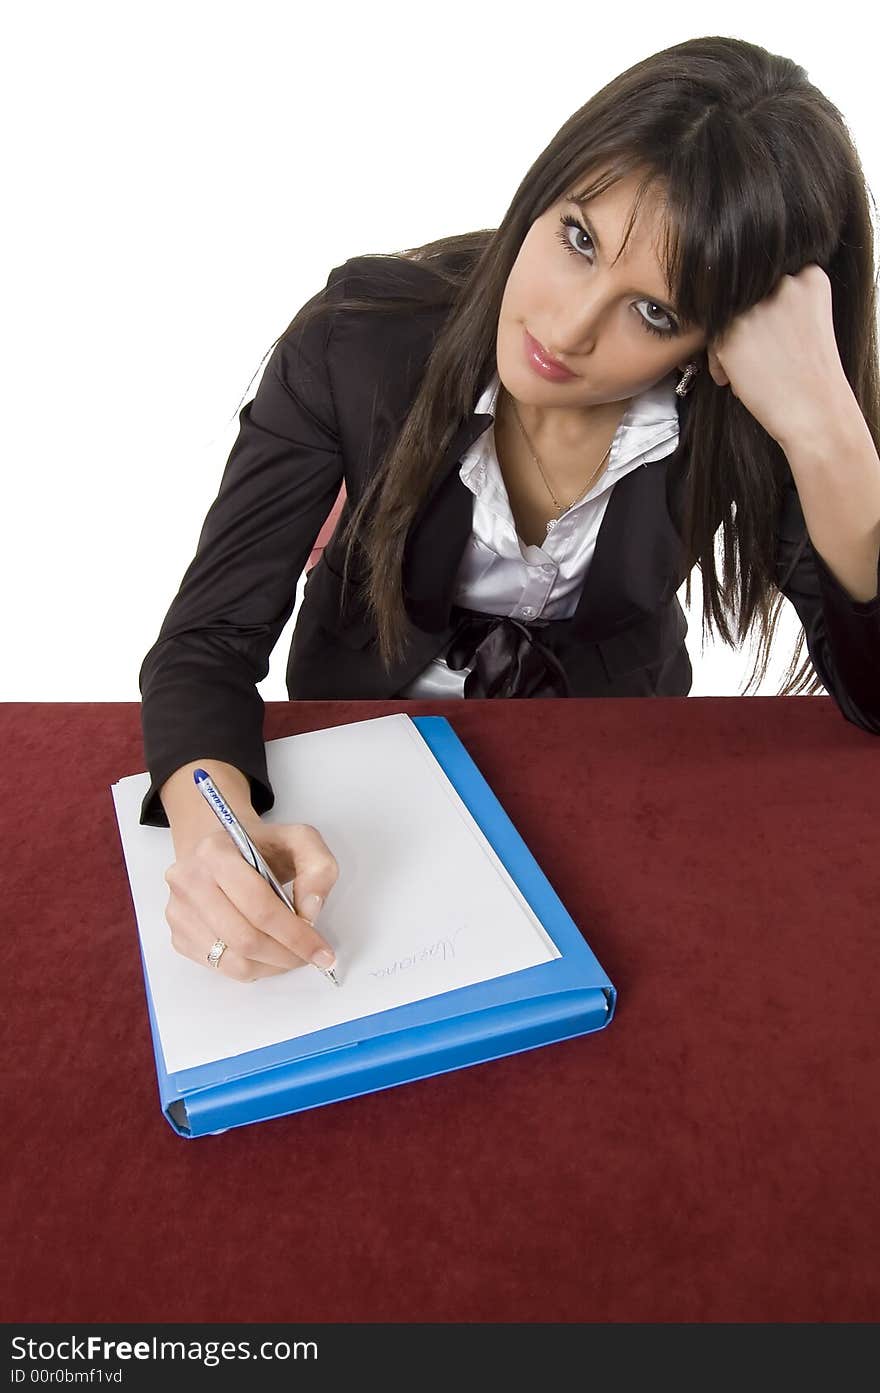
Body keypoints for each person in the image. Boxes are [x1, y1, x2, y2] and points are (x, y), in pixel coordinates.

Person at [140, 35, 880, 984]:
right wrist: (213, 828)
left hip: (616, 779)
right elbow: (205, 641)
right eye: (579, 239)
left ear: (716, 342)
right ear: (545, 188)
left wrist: (831, 433)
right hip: (360, 766)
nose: (567, 331)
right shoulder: (356, 343)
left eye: (653, 313)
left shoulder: (741, 422)